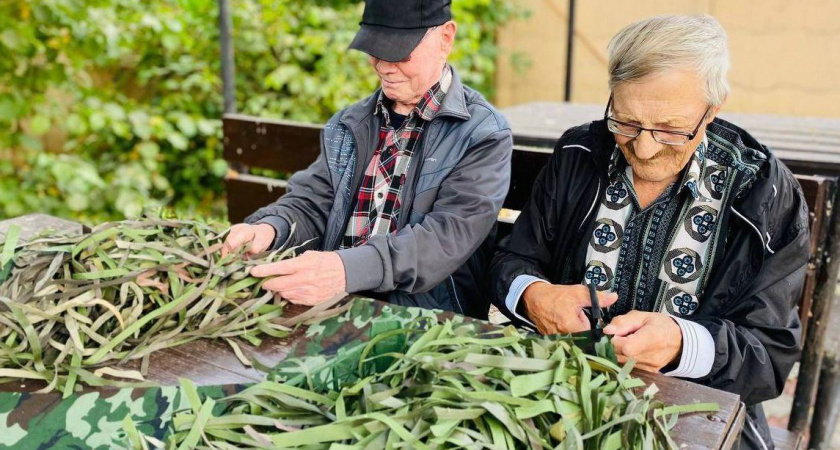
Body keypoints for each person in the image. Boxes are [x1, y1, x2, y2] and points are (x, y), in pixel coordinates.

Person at [489, 14, 808, 449]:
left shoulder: (764, 193)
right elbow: (513, 259)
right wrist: (532, 294)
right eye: (626, 122)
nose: (644, 147)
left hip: (693, 416)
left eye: (671, 129)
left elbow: (767, 356)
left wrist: (682, 343)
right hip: (562, 394)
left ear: (712, 110)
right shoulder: (579, 155)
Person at [223, 0, 512, 319]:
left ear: (445, 37)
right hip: (334, 308)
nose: (384, 66)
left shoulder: (483, 134)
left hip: (427, 324)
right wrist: (268, 229)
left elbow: (445, 239)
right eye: (375, 49)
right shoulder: (350, 123)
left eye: (400, 51)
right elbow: (311, 203)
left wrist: (344, 270)